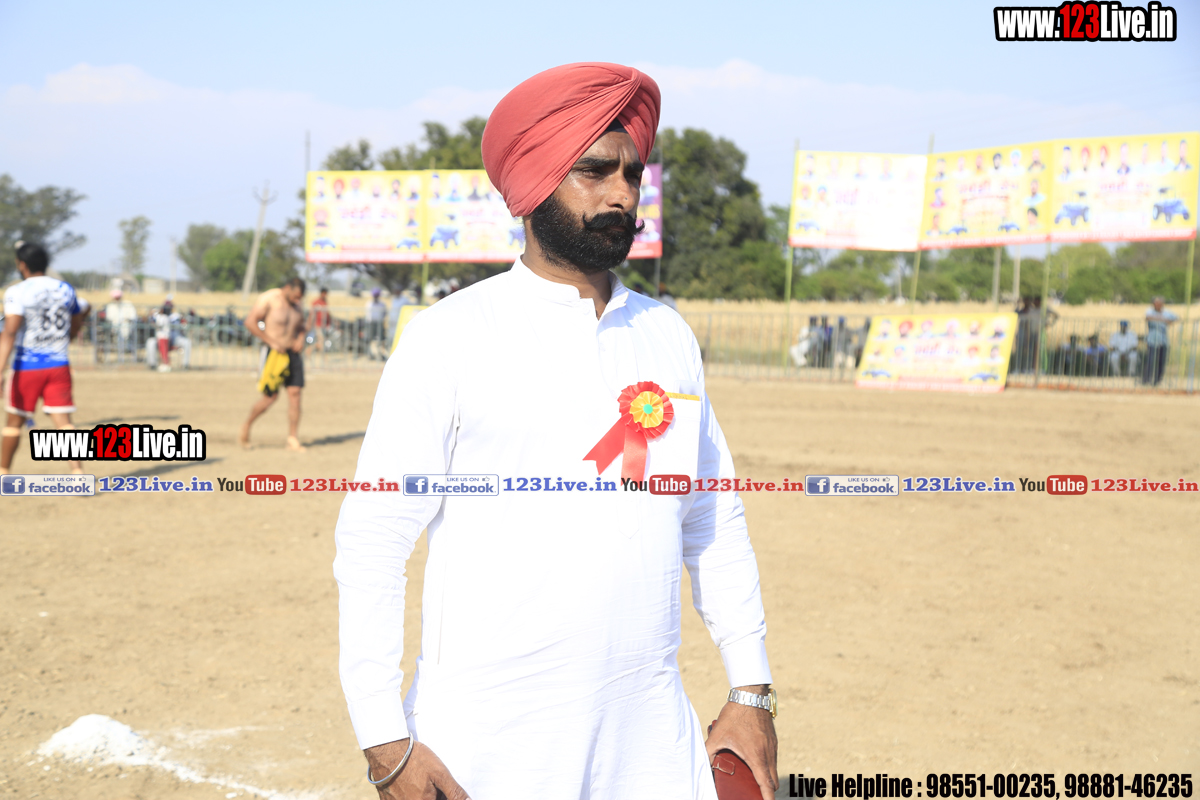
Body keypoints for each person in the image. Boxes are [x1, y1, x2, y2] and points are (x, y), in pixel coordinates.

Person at [334, 62, 777, 800]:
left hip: (650, 743)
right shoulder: (450, 335)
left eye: (632, 174)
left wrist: (751, 689)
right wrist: (385, 741)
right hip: (486, 748)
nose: (622, 194)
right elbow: (374, 537)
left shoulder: (666, 334)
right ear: (535, 182)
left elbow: (712, 519)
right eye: (594, 171)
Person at [0, 242, 88, 475]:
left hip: (26, 366)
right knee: (65, 423)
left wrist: (0, 369)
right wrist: (65, 340)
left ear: (22, 265)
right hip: (59, 364)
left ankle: (3, 473)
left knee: (13, 424)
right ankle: (78, 474)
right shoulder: (65, 288)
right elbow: (77, 320)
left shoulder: (17, 291)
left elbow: (10, 332)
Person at [239, 277, 308, 451]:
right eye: (295, 296)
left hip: (293, 353)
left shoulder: (298, 304)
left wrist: (300, 339)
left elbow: (301, 326)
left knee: (295, 394)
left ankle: (292, 438)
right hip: (274, 353)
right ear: (288, 288)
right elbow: (250, 322)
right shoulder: (269, 298)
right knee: (270, 397)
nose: (297, 300)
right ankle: (247, 426)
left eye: (300, 298)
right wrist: (271, 341)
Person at [145, 298, 192, 371]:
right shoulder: (158, 316)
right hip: (161, 338)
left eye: (169, 307)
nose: (168, 309)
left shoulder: (176, 316)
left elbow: (184, 324)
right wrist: (151, 315)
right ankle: (152, 364)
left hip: (175, 339)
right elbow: (149, 321)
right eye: (166, 307)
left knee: (187, 342)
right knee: (150, 342)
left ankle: (185, 365)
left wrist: (182, 319)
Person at [1143, 296, 1177, 386]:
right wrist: (1164, 320)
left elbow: (1176, 318)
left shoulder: (1167, 312)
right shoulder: (1149, 310)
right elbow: (1148, 317)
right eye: (1155, 303)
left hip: (1163, 340)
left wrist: (1163, 320)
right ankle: (1146, 379)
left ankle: (1157, 380)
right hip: (1152, 340)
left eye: (1159, 303)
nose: (1157, 305)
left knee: (1161, 361)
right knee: (1150, 360)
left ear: (1162, 304)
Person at [104, 288, 138, 361]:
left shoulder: (128, 304)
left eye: (118, 297)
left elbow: (133, 316)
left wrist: (127, 321)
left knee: (128, 338)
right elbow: (109, 317)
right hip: (115, 327)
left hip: (127, 326)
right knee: (118, 339)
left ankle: (130, 354)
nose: (117, 299)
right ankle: (121, 355)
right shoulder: (111, 306)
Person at [365, 287, 388, 360]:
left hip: (379, 323)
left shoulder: (382, 304)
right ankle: (370, 354)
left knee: (380, 340)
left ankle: (380, 354)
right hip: (371, 323)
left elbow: (385, 313)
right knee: (369, 339)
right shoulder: (369, 303)